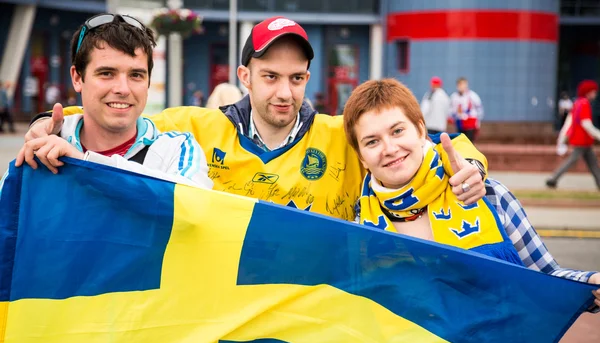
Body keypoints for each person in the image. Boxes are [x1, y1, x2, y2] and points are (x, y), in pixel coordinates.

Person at [23, 16, 487, 222]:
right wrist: (52, 120)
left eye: (296, 77)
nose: (284, 92)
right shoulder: (199, 127)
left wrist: (471, 166)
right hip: (232, 323)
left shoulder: (339, 135)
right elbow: (123, 114)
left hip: (322, 318)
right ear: (244, 74)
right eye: (269, 76)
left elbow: (427, 142)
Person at [343, 78, 600, 343]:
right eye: (372, 141)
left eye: (397, 131)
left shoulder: (489, 196)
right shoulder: (356, 226)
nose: (390, 148)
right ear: (361, 156)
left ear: (421, 130)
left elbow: (547, 278)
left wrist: (591, 282)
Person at [8, 13, 212, 191]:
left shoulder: (177, 149)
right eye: (106, 73)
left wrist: (85, 164)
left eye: (136, 75)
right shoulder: (42, 146)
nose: (122, 89)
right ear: (77, 78)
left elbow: (189, 206)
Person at [547, 80, 600, 190]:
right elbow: (587, 125)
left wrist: (562, 137)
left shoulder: (577, 103)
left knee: (593, 163)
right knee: (573, 160)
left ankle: (553, 179)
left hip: (582, 140)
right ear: (588, 92)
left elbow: (568, 123)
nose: (595, 94)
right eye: (594, 92)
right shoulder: (584, 104)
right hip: (582, 140)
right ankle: (553, 179)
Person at [449, 77, 483, 142]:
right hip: (460, 123)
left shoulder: (472, 96)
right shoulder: (454, 97)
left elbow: (479, 109)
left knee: (469, 142)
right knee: (461, 142)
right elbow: (451, 110)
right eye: (460, 85)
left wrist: (477, 123)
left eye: (463, 84)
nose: (461, 86)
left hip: (470, 123)